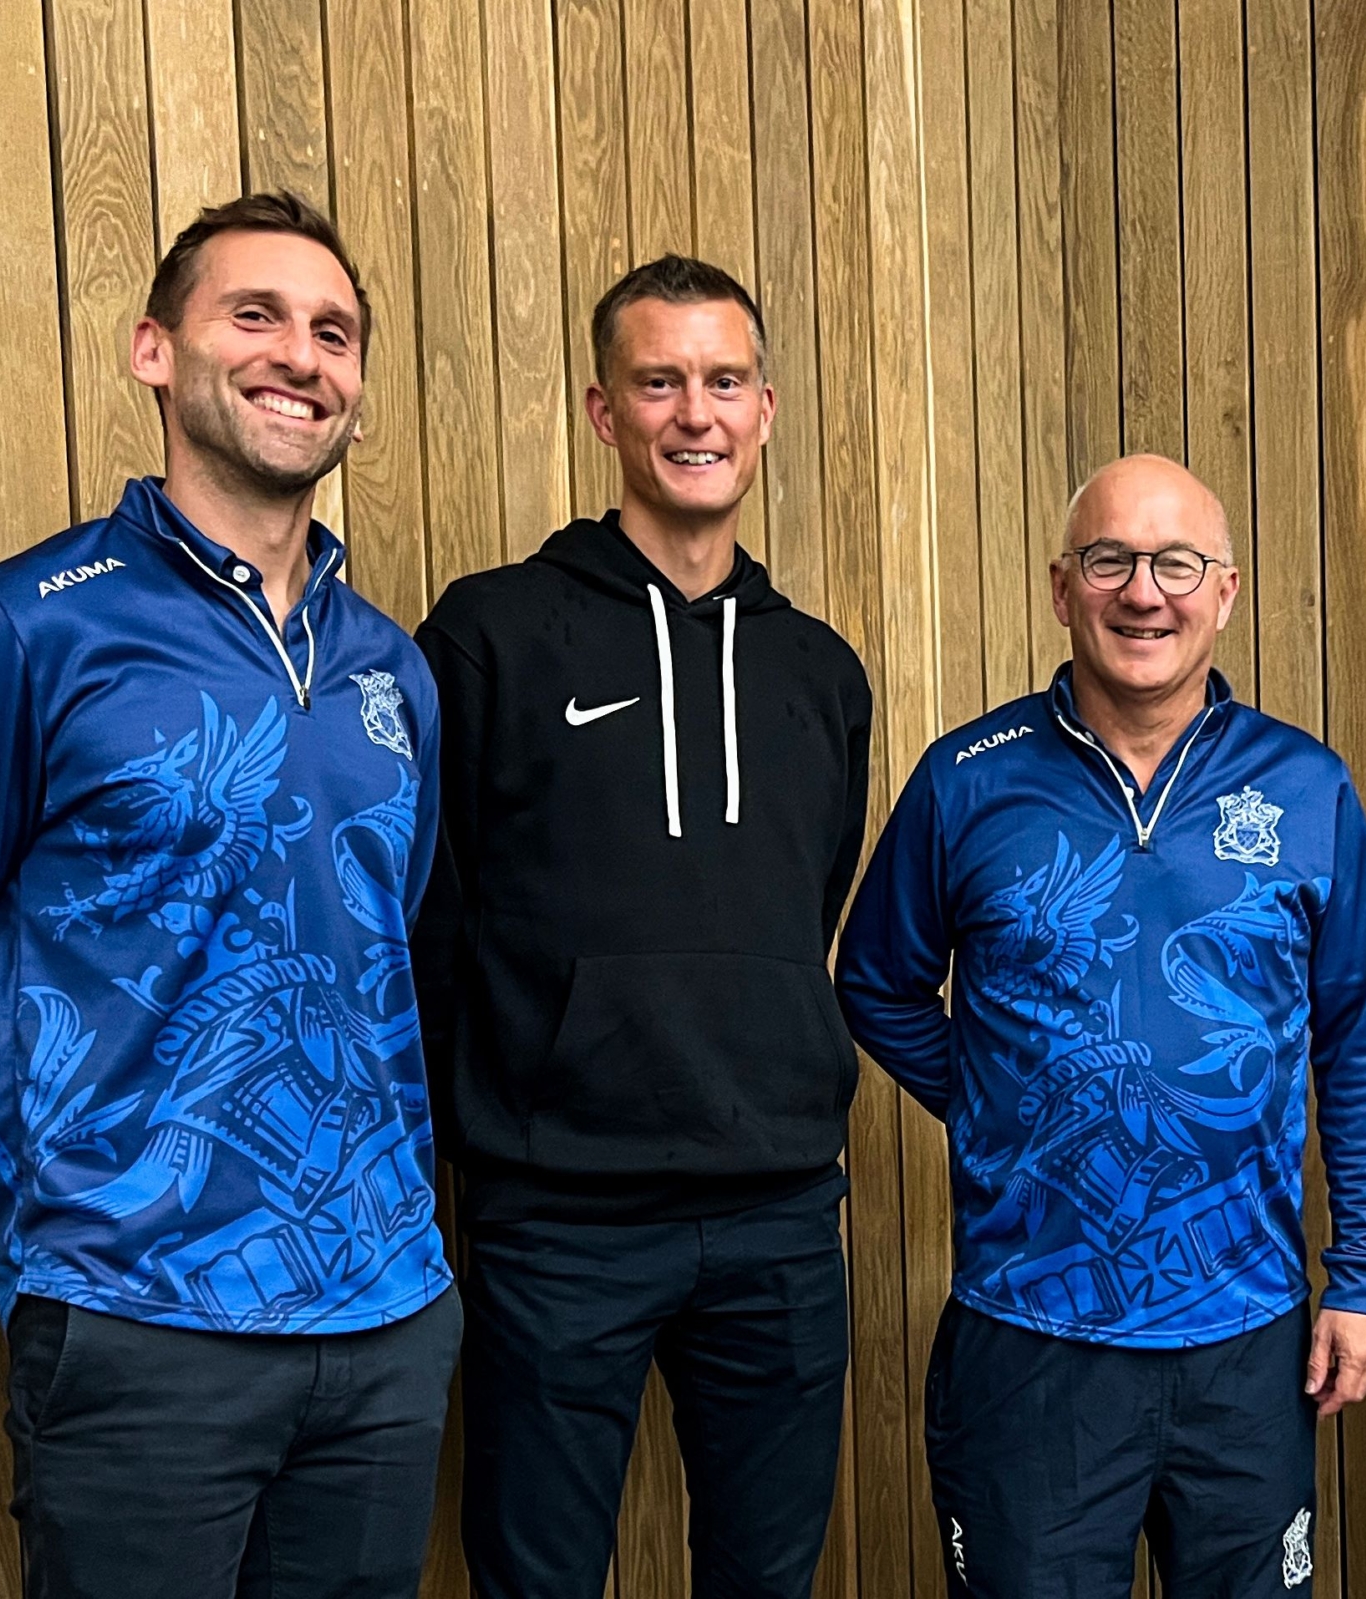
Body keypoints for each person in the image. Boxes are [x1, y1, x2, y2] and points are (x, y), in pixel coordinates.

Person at [0, 192, 458, 1598]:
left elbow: (389, 952)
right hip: (136, 1318)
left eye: (334, 331)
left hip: (383, 1320)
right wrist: (44, 1190)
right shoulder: (26, 626)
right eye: (257, 314)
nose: (303, 353)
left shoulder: (388, 670)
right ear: (153, 351)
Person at [834, 454, 1366, 1599]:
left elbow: (1355, 1041)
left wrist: (1364, 1278)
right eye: (1109, 561)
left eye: (1176, 563)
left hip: (1246, 1335)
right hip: (1031, 1333)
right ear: (1062, 588)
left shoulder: (1304, 787)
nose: (1143, 592)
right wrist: (1005, 1101)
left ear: (1227, 589)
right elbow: (876, 982)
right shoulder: (965, 780)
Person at [411, 254, 871, 1599]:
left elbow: (809, 905)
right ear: (605, 412)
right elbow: (431, 925)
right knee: (537, 1577)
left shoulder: (818, 668)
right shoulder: (491, 635)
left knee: (766, 1575)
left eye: (724, 380)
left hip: (784, 1208)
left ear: (766, 407)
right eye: (659, 380)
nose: (696, 413)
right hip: (558, 1216)